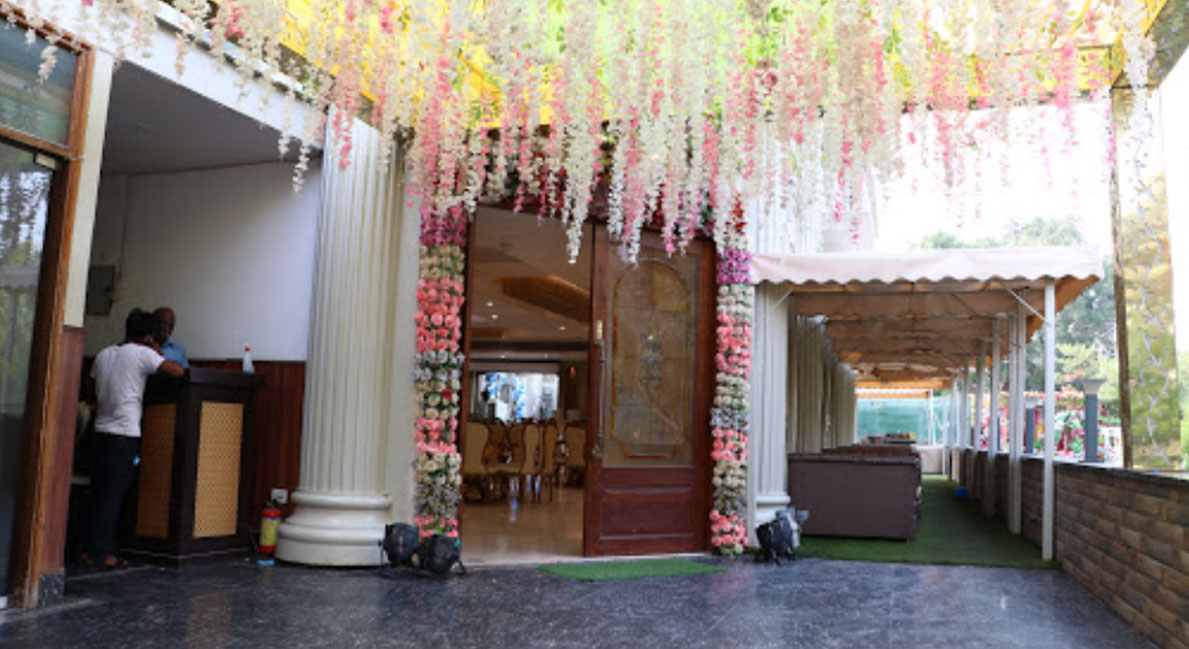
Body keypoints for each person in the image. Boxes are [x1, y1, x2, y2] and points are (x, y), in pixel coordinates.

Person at [82, 309, 184, 568]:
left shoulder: (104, 354)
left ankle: (87, 549)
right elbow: (177, 371)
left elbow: (93, 392)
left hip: (99, 433)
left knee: (97, 495)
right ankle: (102, 554)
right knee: (114, 497)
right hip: (124, 436)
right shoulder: (143, 354)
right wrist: (154, 348)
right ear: (148, 335)